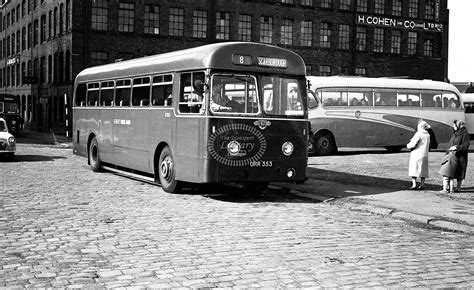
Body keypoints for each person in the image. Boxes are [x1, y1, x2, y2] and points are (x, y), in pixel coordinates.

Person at [446, 120, 470, 192]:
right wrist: (447, 152)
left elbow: (466, 145)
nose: (453, 126)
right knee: (451, 171)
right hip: (453, 156)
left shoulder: (465, 133)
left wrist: (457, 147)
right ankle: (451, 187)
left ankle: (458, 187)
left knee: (460, 171)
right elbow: (450, 143)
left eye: (454, 125)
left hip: (461, 156)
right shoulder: (455, 133)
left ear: (458, 125)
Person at [406, 120, 431, 190]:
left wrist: (408, 146)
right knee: (423, 169)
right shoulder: (428, 135)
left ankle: (414, 184)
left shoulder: (418, 133)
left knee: (414, 169)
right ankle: (422, 184)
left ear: (420, 126)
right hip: (425, 154)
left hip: (416, 153)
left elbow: (413, 144)